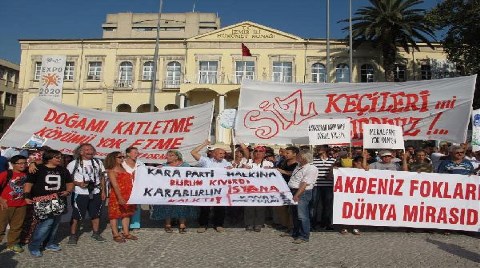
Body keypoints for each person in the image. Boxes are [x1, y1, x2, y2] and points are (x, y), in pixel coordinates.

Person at [24, 150, 74, 257]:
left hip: (59, 200)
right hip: (42, 200)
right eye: (57, 157)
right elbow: (29, 183)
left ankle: (49, 243)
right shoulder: (38, 169)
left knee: (55, 224)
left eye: (60, 157)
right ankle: (34, 246)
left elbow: (69, 183)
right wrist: (27, 196)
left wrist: (68, 191)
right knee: (46, 224)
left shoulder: (63, 170)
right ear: (49, 158)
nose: (60, 159)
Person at [67, 143, 107, 245]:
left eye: (91, 149)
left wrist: (103, 191)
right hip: (80, 193)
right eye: (87, 150)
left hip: (95, 191)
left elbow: (102, 177)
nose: (90, 151)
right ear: (81, 152)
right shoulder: (73, 163)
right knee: (77, 215)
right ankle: (73, 235)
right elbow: (67, 179)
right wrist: (78, 183)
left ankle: (96, 233)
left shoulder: (98, 162)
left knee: (96, 214)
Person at [151, 150, 198, 233]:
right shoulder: (164, 166)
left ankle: (182, 224)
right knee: (167, 206)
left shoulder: (185, 165)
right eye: (167, 155)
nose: (168, 157)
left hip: (182, 190)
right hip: (168, 191)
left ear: (177, 157)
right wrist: (157, 170)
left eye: (171, 155)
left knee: (182, 206)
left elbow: (190, 176)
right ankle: (168, 225)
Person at [191, 140, 232, 233]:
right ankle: (203, 224)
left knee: (220, 208)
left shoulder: (226, 163)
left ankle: (219, 224)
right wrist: (204, 144)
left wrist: (231, 169)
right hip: (207, 188)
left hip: (220, 189)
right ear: (214, 154)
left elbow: (232, 173)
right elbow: (193, 152)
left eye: (224, 153)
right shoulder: (206, 161)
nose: (222, 155)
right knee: (205, 207)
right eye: (220, 153)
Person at [104, 151, 138, 243]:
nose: (122, 158)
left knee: (126, 214)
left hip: (127, 194)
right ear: (113, 159)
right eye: (119, 157)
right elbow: (115, 185)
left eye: (122, 157)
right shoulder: (112, 170)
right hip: (117, 195)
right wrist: (119, 197)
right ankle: (115, 234)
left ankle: (126, 233)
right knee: (114, 215)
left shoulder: (123, 168)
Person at [286, 149, 318, 244]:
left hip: (302, 193)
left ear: (304, 158)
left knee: (302, 215)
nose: (297, 157)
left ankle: (304, 236)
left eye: (299, 156)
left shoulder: (311, 168)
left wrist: (297, 195)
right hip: (294, 190)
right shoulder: (299, 166)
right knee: (295, 214)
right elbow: (295, 176)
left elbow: (304, 183)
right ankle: (296, 232)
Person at [241, 145, 274, 232]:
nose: (258, 153)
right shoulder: (248, 162)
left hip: (262, 189)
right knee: (249, 207)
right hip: (249, 188)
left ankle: (259, 223)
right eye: (256, 151)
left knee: (260, 207)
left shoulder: (269, 163)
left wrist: (271, 170)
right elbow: (240, 175)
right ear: (253, 152)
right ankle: (249, 223)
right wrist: (242, 169)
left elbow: (273, 176)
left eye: (260, 151)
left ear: (264, 154)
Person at [0, 155, 28, 253]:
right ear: (12, 164)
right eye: (20, 163)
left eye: (25, 163)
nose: (23, 165)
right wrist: (1, 200)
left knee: (17, 226)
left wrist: (32, 163)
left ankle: (12, 244)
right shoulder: (6, 174)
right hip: (5, 205)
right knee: (0, 226)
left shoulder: (27, 173)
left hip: (21, 204)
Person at [274, 146, 299, 231]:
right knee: (281, 207)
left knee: (292, 209)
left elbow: (296, 174)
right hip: (281, 187)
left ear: (294, 154)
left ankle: (292, 226)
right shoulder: (283, 162)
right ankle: (284, 224)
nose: (285, 154)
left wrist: (283, 171)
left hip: (293, 188)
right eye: (285, 153)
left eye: (288, 153)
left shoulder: (298, 164)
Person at [311, 146, 336, 230]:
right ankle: (313, 223)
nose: (318, 150)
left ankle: (326, 223)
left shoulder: (333, 160)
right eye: (318, 149)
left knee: (327, 205)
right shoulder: (314, 160)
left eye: (320, 149)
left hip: (328, 186)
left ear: (325, 150)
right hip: (316, 185)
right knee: (314, 205)